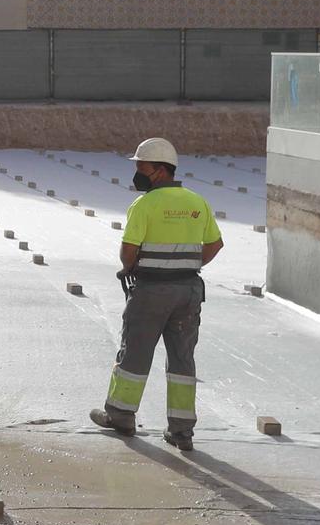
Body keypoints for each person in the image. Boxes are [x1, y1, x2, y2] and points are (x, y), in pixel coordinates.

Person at [90, 137, 224, 453]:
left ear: (160, 171)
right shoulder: (197, 202)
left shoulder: (144, 205)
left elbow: (128, 254)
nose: (137, 173)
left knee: (135, 354)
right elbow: (215, 244)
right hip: (188, 292)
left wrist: (138, 267)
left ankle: (121, 415)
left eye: (142, 167)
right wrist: (187, 265)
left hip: (151, 291)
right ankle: (181, 431)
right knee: (182, 359)